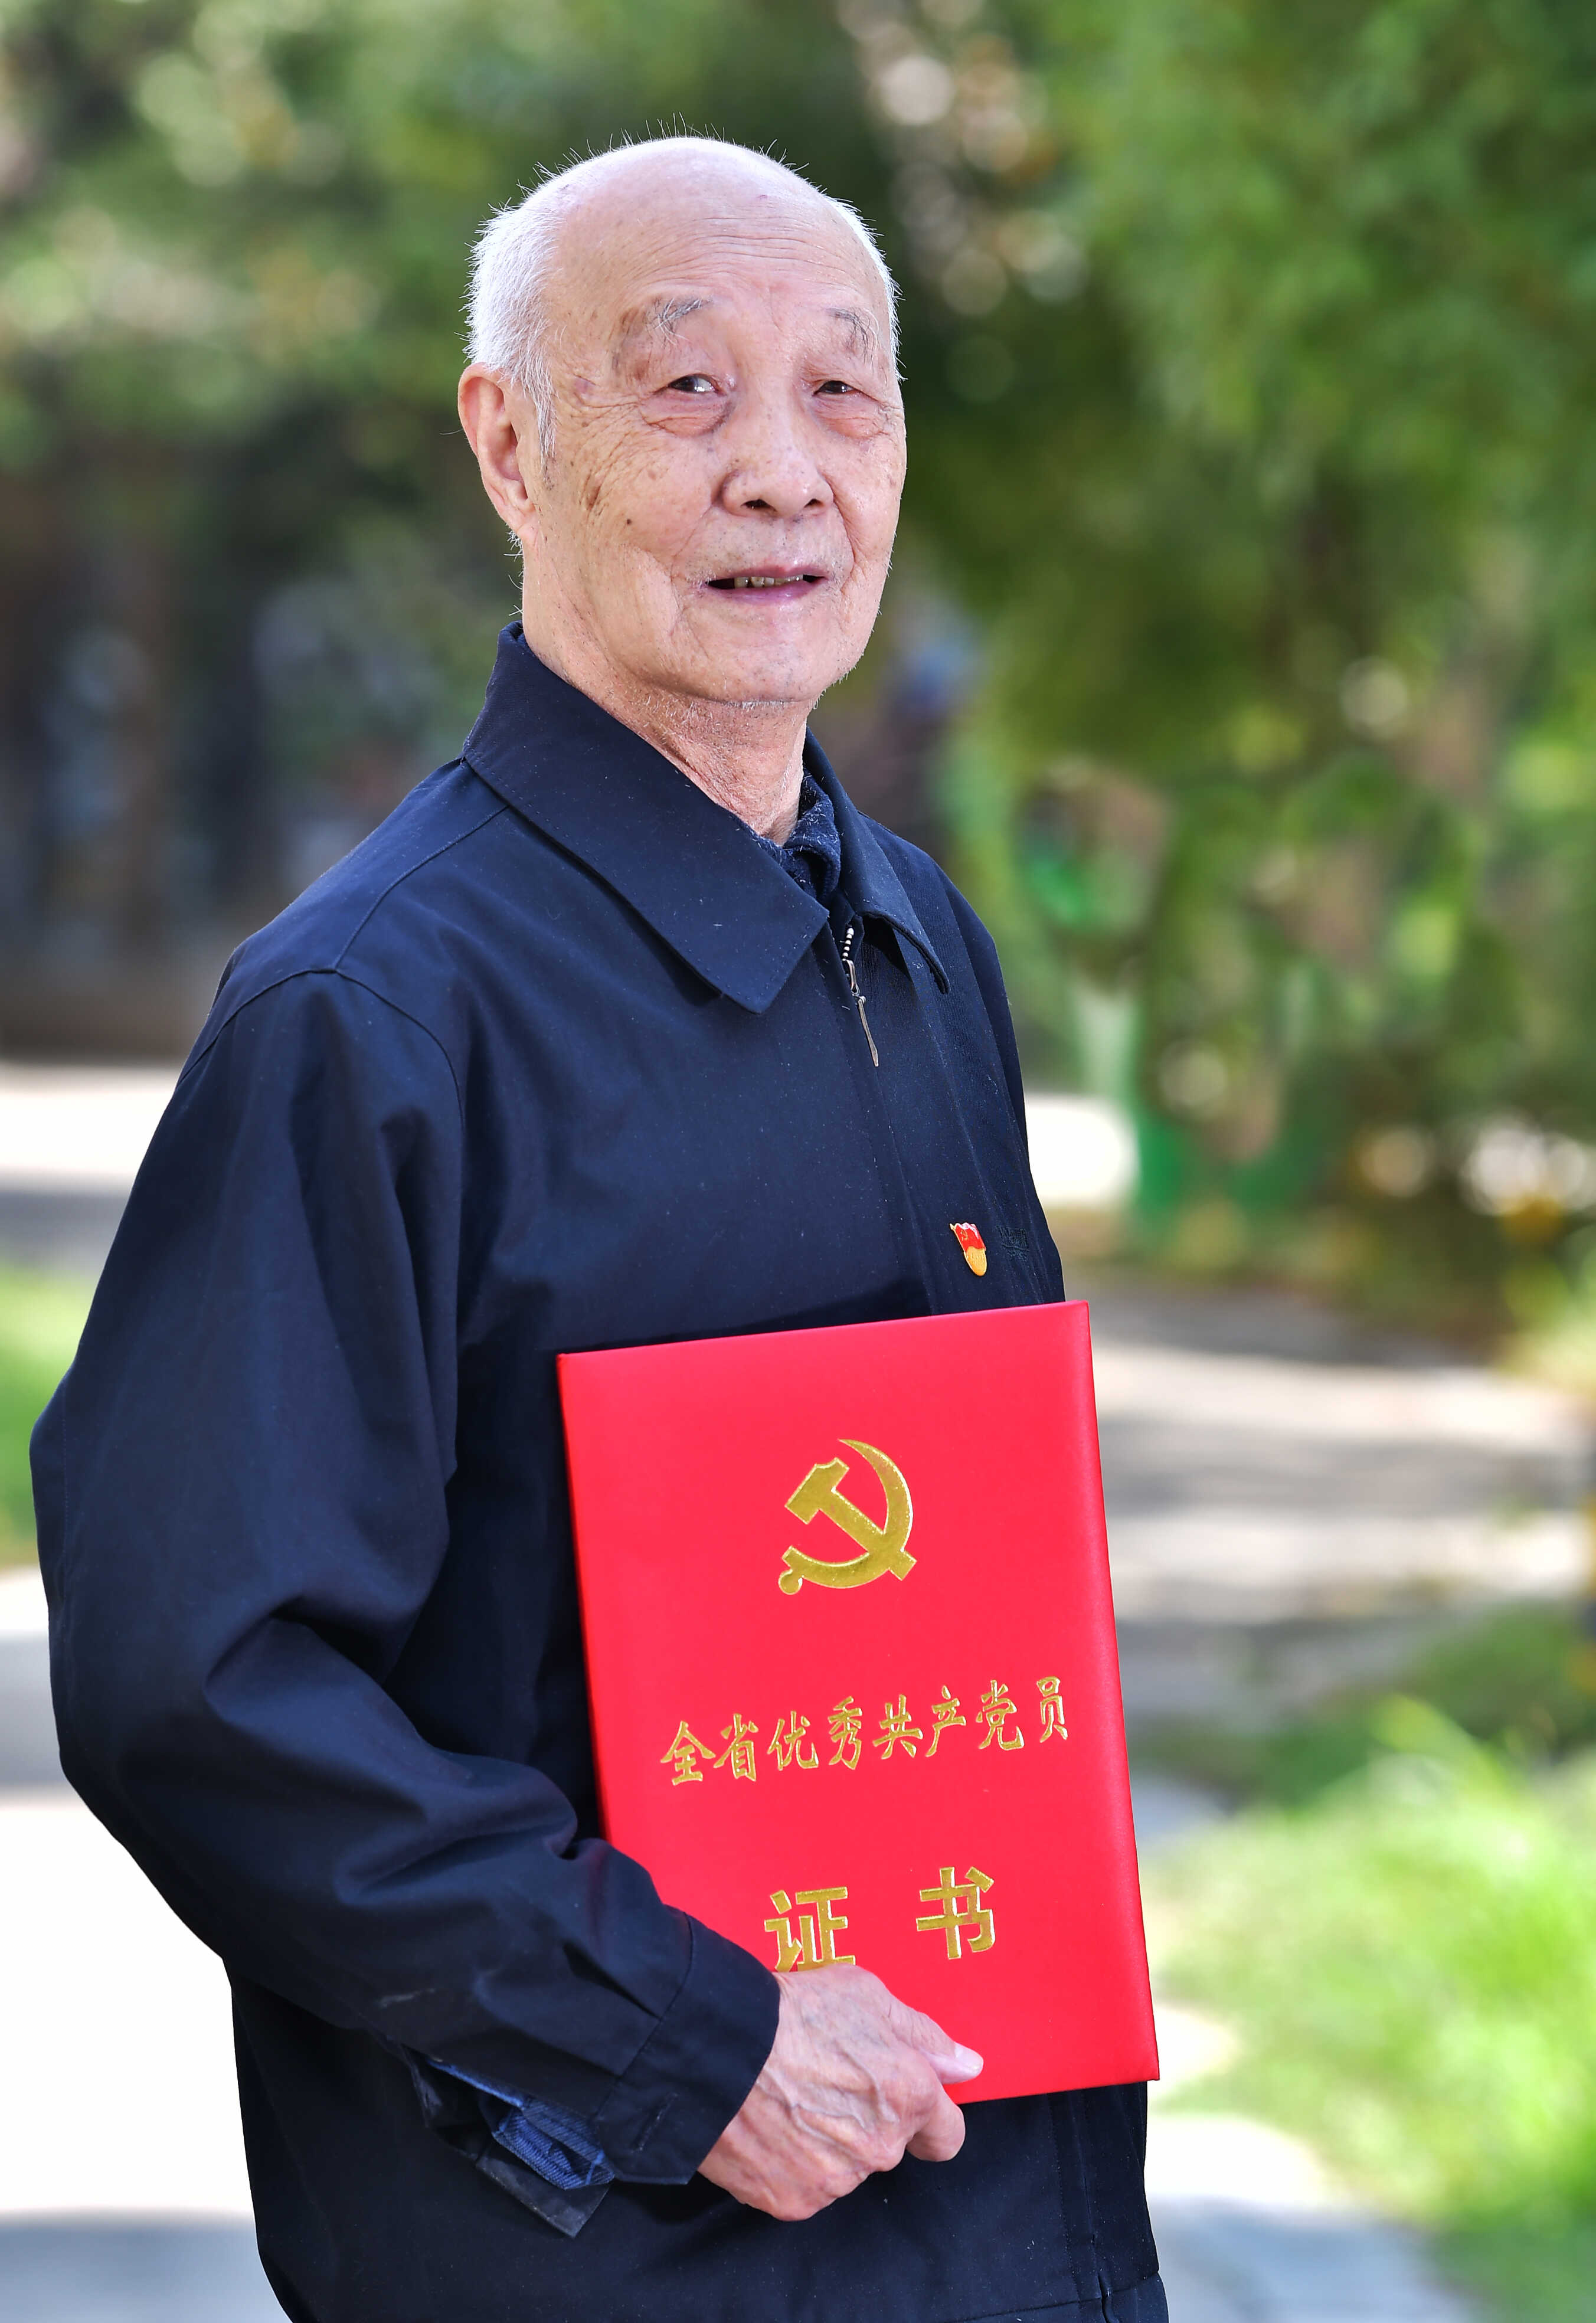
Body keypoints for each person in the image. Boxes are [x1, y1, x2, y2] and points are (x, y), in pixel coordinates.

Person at [32, 138, 1165, 2323]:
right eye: (685, 388)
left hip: (1004, 2217)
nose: (782, 471)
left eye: (843, 391)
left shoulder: (912, 937)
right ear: (508, 444)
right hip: (615, 2251)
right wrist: (687, 2043)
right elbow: (203, 1683)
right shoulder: (371, 1016)